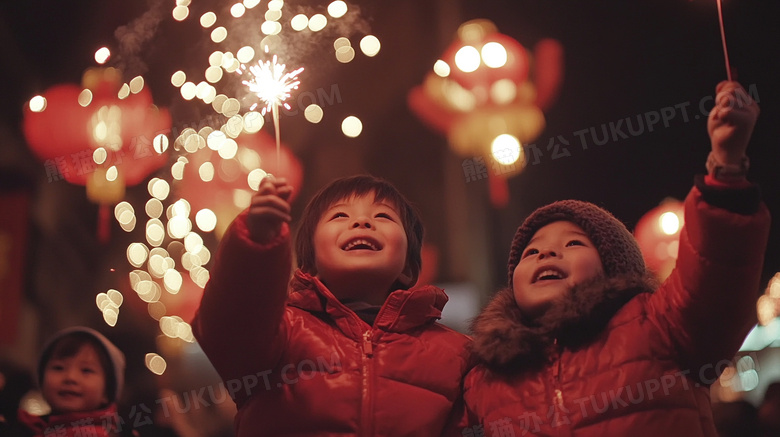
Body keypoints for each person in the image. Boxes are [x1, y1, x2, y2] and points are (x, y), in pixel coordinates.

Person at [460, 80, 770, 437]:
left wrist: (726, 169)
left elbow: (716, 279)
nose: (546, 252)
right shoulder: (486, 376)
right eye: (531, 251)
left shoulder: (660, 325)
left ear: (614, 268)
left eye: (574, 244)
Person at [193, 174, 472, 436]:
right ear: (310, 264)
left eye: (383, 215)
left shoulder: (457, 354)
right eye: (340, 215)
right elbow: (230, 322)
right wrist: (256, 243)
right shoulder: (280, 333)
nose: (362, 221)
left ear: (409, 269)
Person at [14, 327, 126, 437]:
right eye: (58, 368)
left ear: (107, 391)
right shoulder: (30, 426)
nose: (70, 377)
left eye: (86, 370)